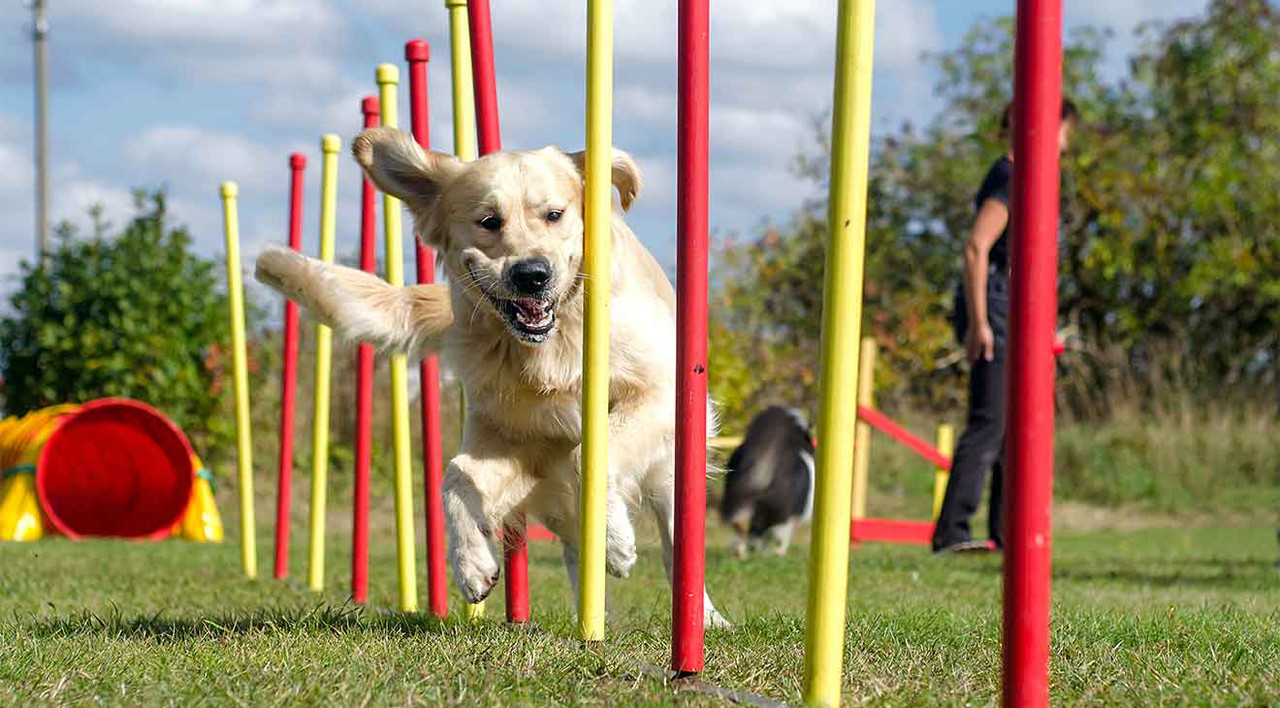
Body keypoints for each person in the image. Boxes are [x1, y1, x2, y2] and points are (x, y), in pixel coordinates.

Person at [931, 98, 1078, 555]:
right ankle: (951, 533)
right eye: (1063, 132)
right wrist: (980, 323)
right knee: (990, 422)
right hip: (993, 309)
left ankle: (1003, 530)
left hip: (1015, 311)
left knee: (1015, 426)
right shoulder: (1009, 177)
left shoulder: (1028, 179)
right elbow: (977, 248)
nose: (1065, 144)